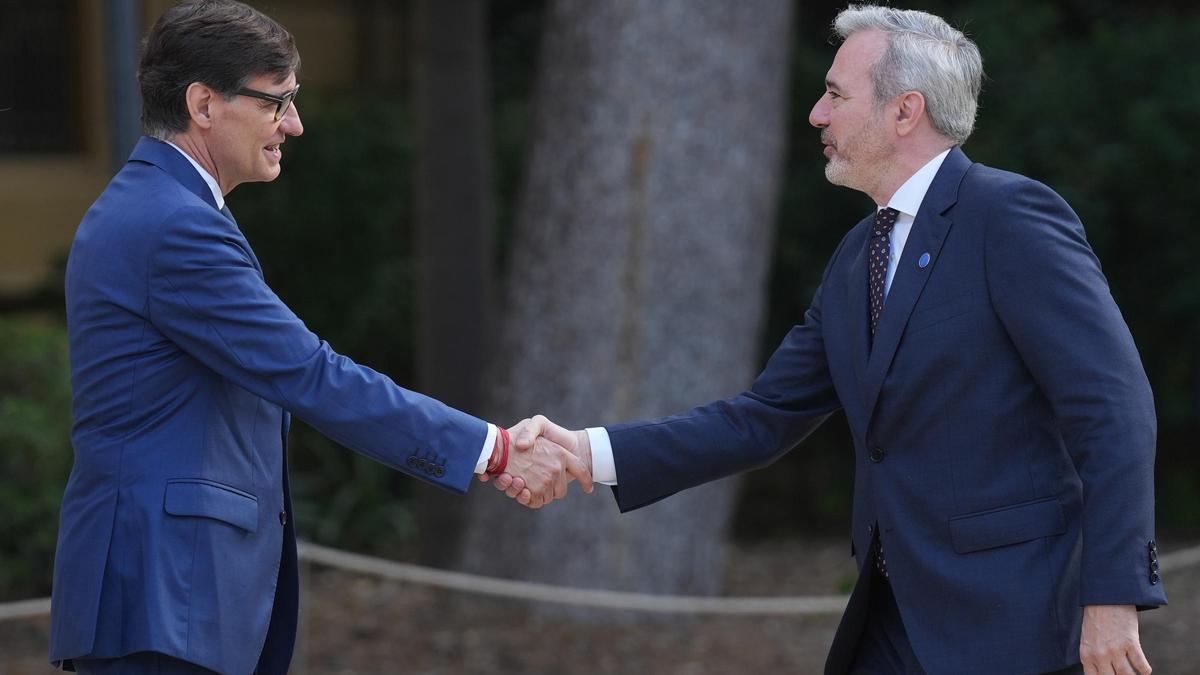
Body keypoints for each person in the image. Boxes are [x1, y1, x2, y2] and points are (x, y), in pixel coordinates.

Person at [494, 5, 1165, 674]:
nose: (817, 114)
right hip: (891, 624)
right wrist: (587, 450)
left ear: (905, 112)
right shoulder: (857, 256)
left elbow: (1112, 406)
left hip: (1013, 628)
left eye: (836, 95)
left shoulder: (1010, 216)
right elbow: (760, 417)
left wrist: (1112, 594)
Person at [50, 2, 591, 673]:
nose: (294, 123)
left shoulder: (157, 207)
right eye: (276, 102)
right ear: (204, 104)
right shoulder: (174, 225)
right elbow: (312, 375)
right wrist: (495, 450)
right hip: (164, 597)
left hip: (164, 597)